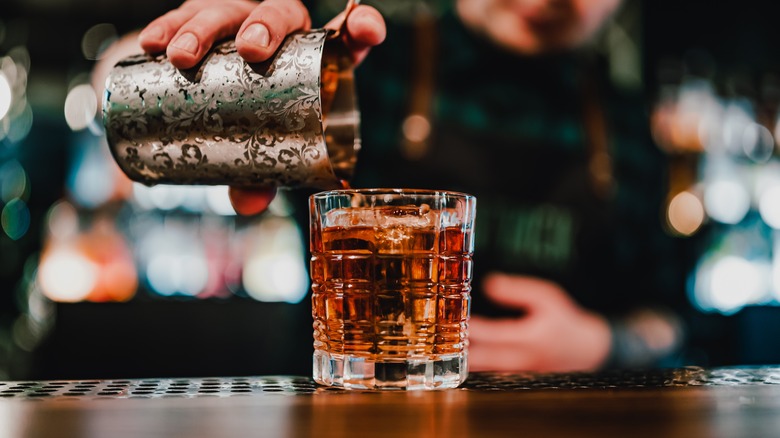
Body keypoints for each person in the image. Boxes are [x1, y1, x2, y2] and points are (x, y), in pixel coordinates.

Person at [136, 0, 690, 372]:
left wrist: (604, 344)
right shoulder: (364, 63)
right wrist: (178, 71)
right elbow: (119, 90)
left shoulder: (627, 119)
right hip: (354, 416)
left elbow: (675, 318)